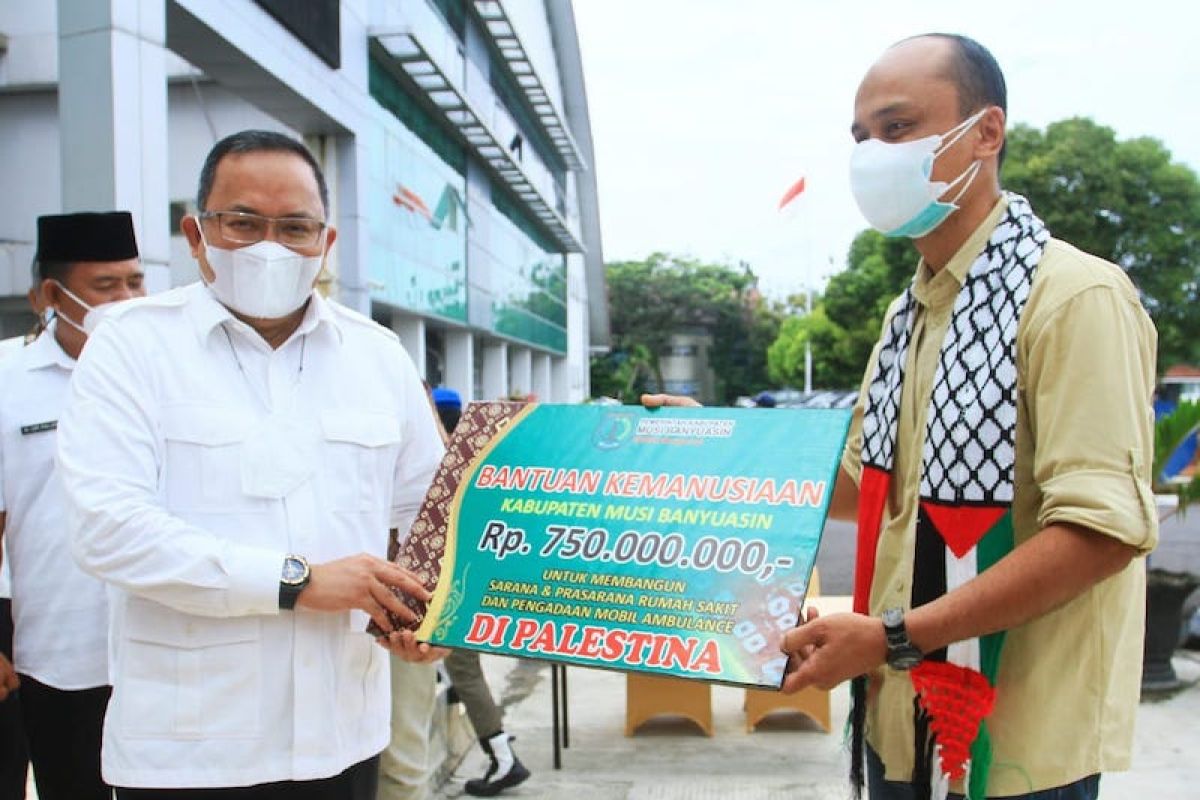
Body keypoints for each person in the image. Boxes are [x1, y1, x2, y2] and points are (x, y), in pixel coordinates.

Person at [773, 34, 1157, 800]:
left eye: (897, 128)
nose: (873, 155)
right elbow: (862, 486)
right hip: (895, 720)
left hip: (1015, 750)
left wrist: (887, 637)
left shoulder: (1074, 299)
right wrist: (721, 447)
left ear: (986, 132)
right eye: (862, 138)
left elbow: (1099, 533)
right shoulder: (909, 312)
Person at [56, 130, 446, 798]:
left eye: (294, 227)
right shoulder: (132, 345)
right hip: (192, 751)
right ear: (196, 233)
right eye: (242, 222)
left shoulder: (378, 356)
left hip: (344, 737)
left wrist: (432, 616)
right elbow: (109, 530)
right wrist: (295, 582)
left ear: (325, 243)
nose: (269, 246)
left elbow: (431, 513)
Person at [0, 211, 146, 800]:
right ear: (48, 296)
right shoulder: (9, 382)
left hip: (166, 650)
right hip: (59, 653)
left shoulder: (166, 374)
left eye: (135, 283)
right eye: (106, 287)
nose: (127, 299)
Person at [426, 387, 531, 797]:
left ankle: (502, 756)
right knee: (461, 671)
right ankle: (500, 748)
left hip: (451, 589)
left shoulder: (442, 465)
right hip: (469, 581)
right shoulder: (473, 462)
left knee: (464, 670)